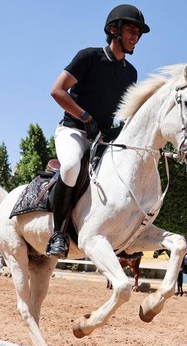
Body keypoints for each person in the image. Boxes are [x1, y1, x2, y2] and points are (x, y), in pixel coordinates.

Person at [46, 4, 150, 258]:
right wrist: (85, 117)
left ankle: (121, 239)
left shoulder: (130, 73)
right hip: (74, 131)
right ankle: (58, 233)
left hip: (102, 138)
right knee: (71, 167)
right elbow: (57, 91)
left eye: (138, 32)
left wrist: (120, 129)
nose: (135, 36)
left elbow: (124, 111)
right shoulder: (89, 57)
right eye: (131, 30)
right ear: (113, 30)